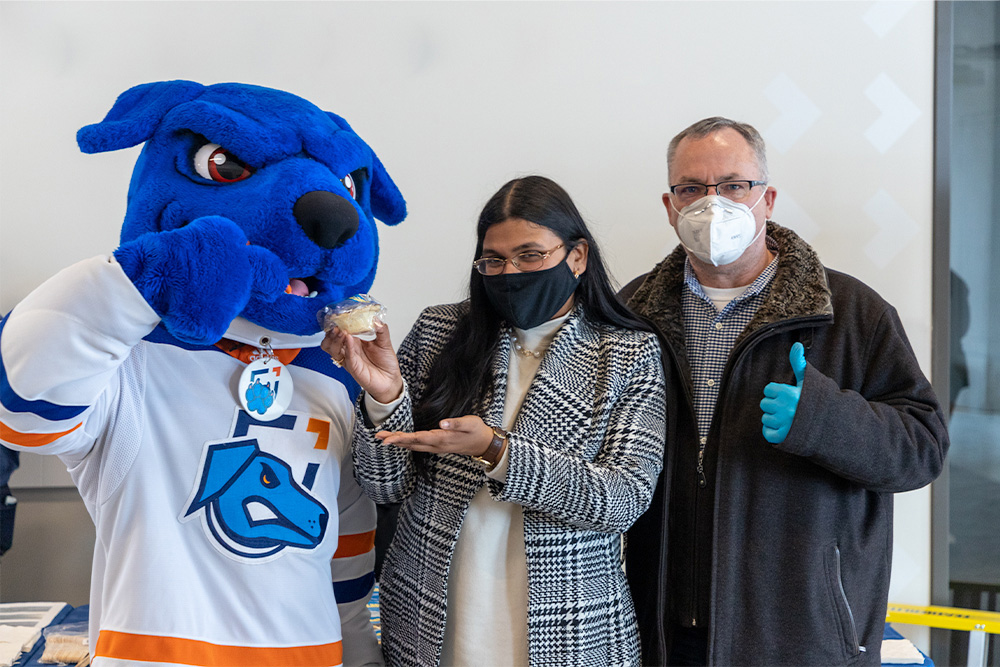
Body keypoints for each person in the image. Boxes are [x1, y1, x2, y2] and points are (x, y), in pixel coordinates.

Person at [621, 117, 949, 666]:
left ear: (767, 198)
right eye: (692, 189)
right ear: (669, 205)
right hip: (660, 627)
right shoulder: (632, 312)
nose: (712, 203)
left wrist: (823, 420)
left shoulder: (849, 312)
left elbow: (923, 450)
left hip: (798, 634)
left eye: (733, 185)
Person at [323, 175, 667, 666]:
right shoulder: (441, 330)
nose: (511, 273)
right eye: (495, 261)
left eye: (531, 255)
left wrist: (497, 452)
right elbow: (383, 487)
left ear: (577, 256)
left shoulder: (628, 353)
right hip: (429, 621)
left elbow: (623, 501)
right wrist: (385, 395)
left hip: (571, 631)